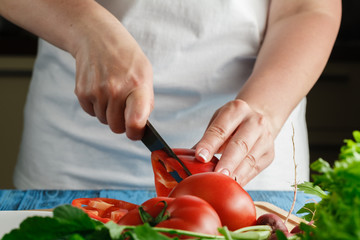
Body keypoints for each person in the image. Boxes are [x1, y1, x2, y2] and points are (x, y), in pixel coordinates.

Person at [0, 0, 341, 190]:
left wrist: (265, 107)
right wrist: (88, 28)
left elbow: (309, 8)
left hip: (250, 168)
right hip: (74, 163)